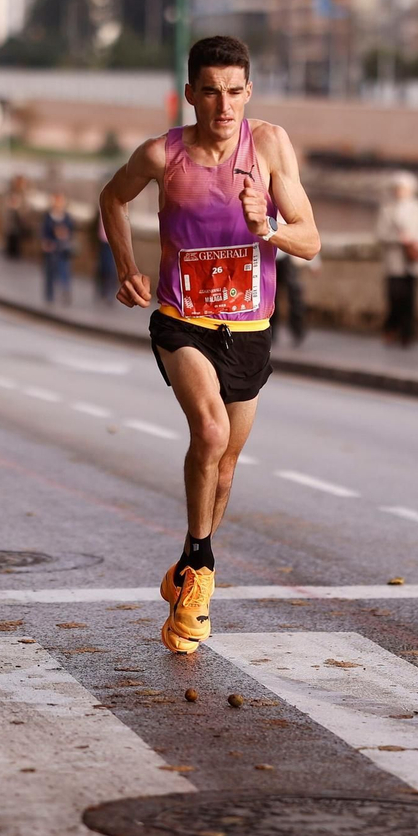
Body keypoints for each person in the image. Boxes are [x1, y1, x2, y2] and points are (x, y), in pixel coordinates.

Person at [99, 35, 320, 655]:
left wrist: (266, 227)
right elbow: (112, 197)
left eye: (235, 92)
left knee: (223, 469)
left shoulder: (269, 146)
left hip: (248, 329)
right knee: (212, 431)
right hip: (183, 321)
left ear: (248, 92)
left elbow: (310, 240)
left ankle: (186, 566)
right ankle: (203, 569)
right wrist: (127, 267)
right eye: (211, 92)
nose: (224, 106)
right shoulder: (161, 154)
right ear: (190, 94)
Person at [376, 171, 418, 347]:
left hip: (412, 260)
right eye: (398, 188)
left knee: (410, 299)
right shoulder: (387, 208)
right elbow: (380, 234)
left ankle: (407, 334)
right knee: (394, 296)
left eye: (404, 188)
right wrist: (399, 239)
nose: (400, 191)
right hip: (394, 261)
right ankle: (392, 327)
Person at [41, 192, 76, 305]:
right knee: (50, 273)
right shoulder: (48, 216)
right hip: (51, 249)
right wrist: (46, 242)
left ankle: (65, 291)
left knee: (64, 271)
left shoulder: (66, 217)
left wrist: (64, 234)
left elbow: (71, 231)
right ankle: (50, 296)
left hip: (63, 249)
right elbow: (44, 232)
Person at [94, 213, 117, 304]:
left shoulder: (118, 211)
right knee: (102, 268)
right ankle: (102, 291)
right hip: (102, 243)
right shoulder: (99, 212)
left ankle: (110, 293)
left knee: (111, 269)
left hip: (113, 244)